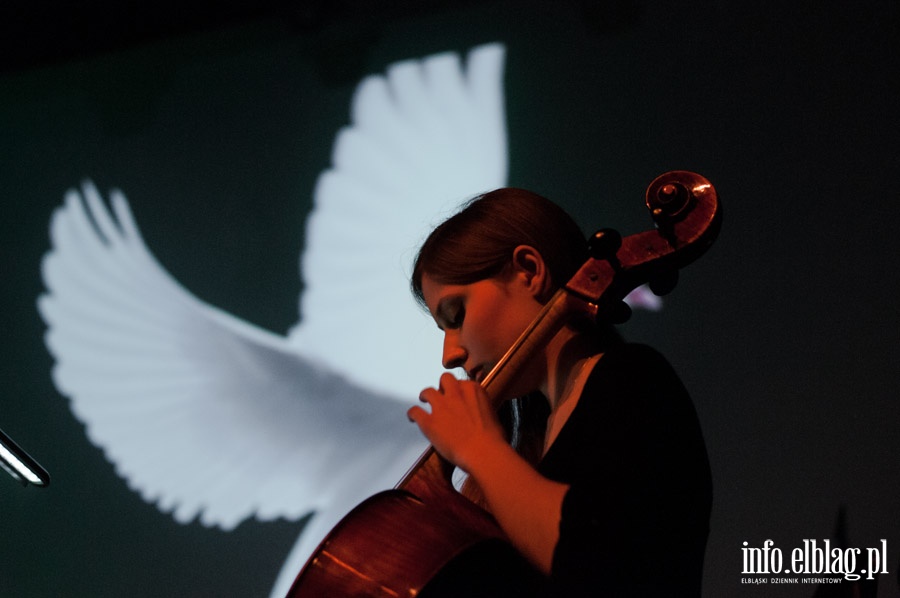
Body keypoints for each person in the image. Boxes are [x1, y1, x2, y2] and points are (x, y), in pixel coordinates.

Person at [406, 187, 713, 597]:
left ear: (529, 271)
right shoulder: (531, 450)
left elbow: (602, 565)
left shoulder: (632, 381)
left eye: (457, 315)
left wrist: (480, 450)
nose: (450, 354)